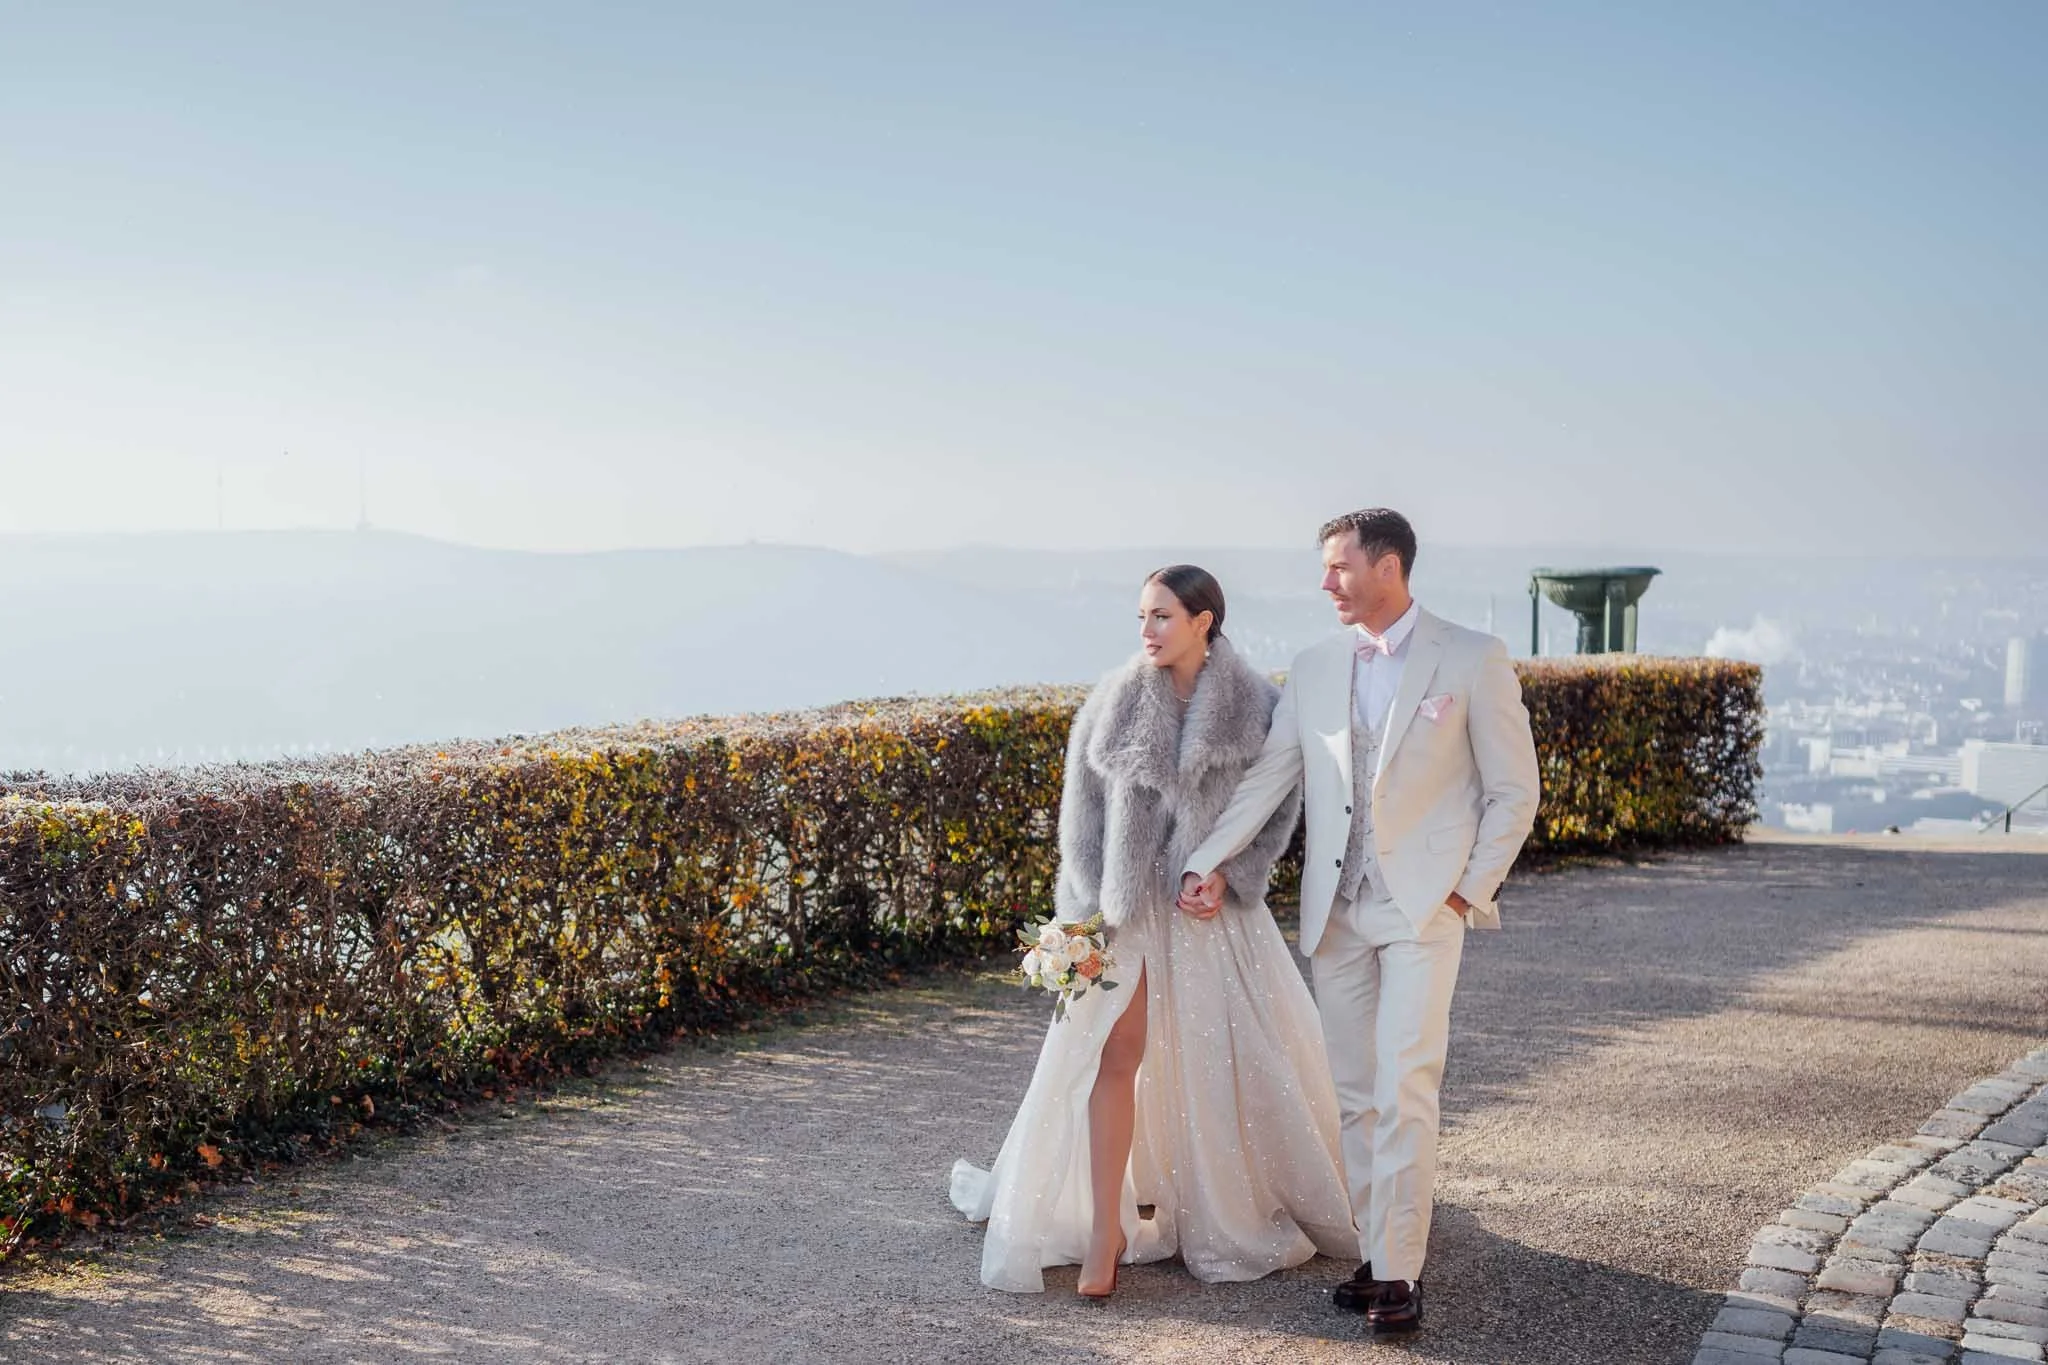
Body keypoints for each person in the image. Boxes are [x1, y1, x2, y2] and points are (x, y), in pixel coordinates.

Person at [1180, 509, 1540, 1334]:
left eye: (1340, 566)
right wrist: (1210, 858)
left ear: (1389, 567)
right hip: (1337, 911)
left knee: (1407, 1080)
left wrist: (1464, 892)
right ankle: (1380, 1251)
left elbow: (1514, 792)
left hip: (1423, 908)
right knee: (1355, 1094)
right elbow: (1271, 779)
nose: (1326, 582)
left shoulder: (1473, 658)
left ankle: (1401, 1275)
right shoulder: (1313, 667)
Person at [951, 565, 1354, 1296]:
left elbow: (1277, 808)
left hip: (1211, 918)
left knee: (1222, 1063)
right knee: (1115, 1054)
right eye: (1141, 615)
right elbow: (1082, 828)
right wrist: (1078, 927)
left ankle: (1215, 1202)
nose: (1147, 630)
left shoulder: (1259, 704)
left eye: (1162, 615)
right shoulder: (1112, 701)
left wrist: (1233, 876)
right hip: (1125, 914)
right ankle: (1105, 1230)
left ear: (1205, 620)